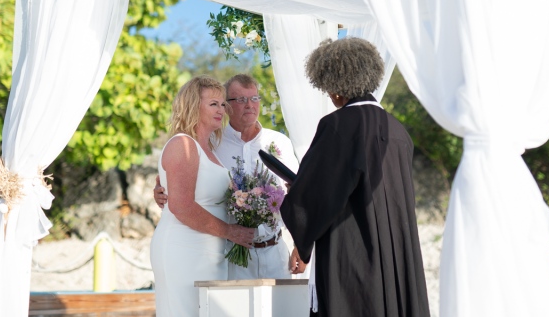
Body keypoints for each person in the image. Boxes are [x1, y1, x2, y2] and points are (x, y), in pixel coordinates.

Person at [280, 38, 431, 317]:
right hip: (397, 251)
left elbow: (317, 196)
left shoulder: (337, 126)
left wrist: (297, 193)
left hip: (354, 250)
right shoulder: (398, 131)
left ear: (336, 86)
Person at [155, 74, 301, 279]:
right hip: (231, 255)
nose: (250, 105)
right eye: (240, 100)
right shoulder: (213, 142)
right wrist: (160, 191)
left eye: (254, 98)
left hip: (275, 251)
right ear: (229, 106)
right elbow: (175, 179)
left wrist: (301, 244)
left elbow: (298, 194)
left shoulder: (279, 142)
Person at [150, 76, 255, 317]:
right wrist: (230, 232)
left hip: (211, 251)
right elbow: (181, 206)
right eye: (213, 104)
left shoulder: (210, 150)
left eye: (222, 104)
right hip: (184, 249)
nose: (222, 110)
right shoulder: (183, 145)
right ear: (192, 106)